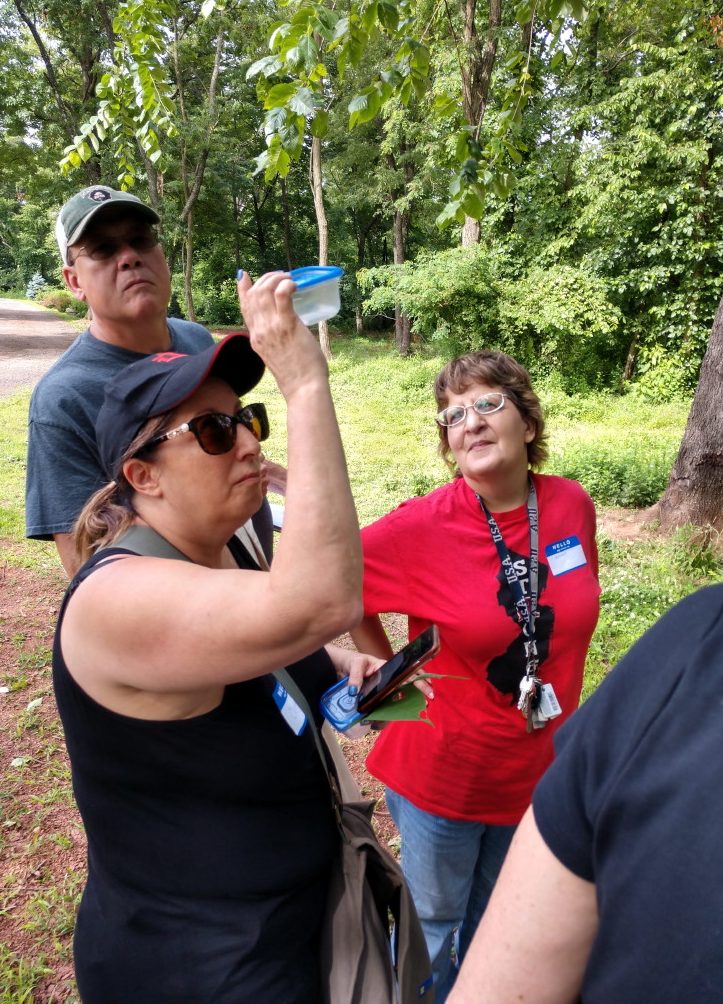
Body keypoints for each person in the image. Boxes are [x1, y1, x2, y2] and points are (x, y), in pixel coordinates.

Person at [52, 272, 382, 1004]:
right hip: (202, 966)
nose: (244, 443)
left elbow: (268, 638)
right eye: (210, 430)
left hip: (281, 929)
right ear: (144, 477)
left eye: (247, 418)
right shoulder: (114, 600)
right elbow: (320, 599)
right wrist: (303, 387)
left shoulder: (216, 548)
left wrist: (337, 662)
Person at [351, 350, 601, 1003]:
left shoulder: (571, 506)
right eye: (453, 414)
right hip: (444, 777)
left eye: (489, 403)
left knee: (501, 922)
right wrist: (385, 679)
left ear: (526, 419)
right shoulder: (421, 526)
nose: (471, 421)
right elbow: (337, 589)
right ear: (447, 442)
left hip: (538, 772)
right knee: (436, 928)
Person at [447, 582, 723, 1004]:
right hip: (450, 784)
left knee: (483, 909)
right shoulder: (700, 640)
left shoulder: (574, 513)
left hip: (528, 782)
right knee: (436, 916)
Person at [25, 184, 281, 577]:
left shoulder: (195, 338)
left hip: (254, 568)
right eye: (103, 250)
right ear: (74, 281)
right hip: (184, 609)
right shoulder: (63, 398)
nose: (129, 257)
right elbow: (85, 560)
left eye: (140, 240)